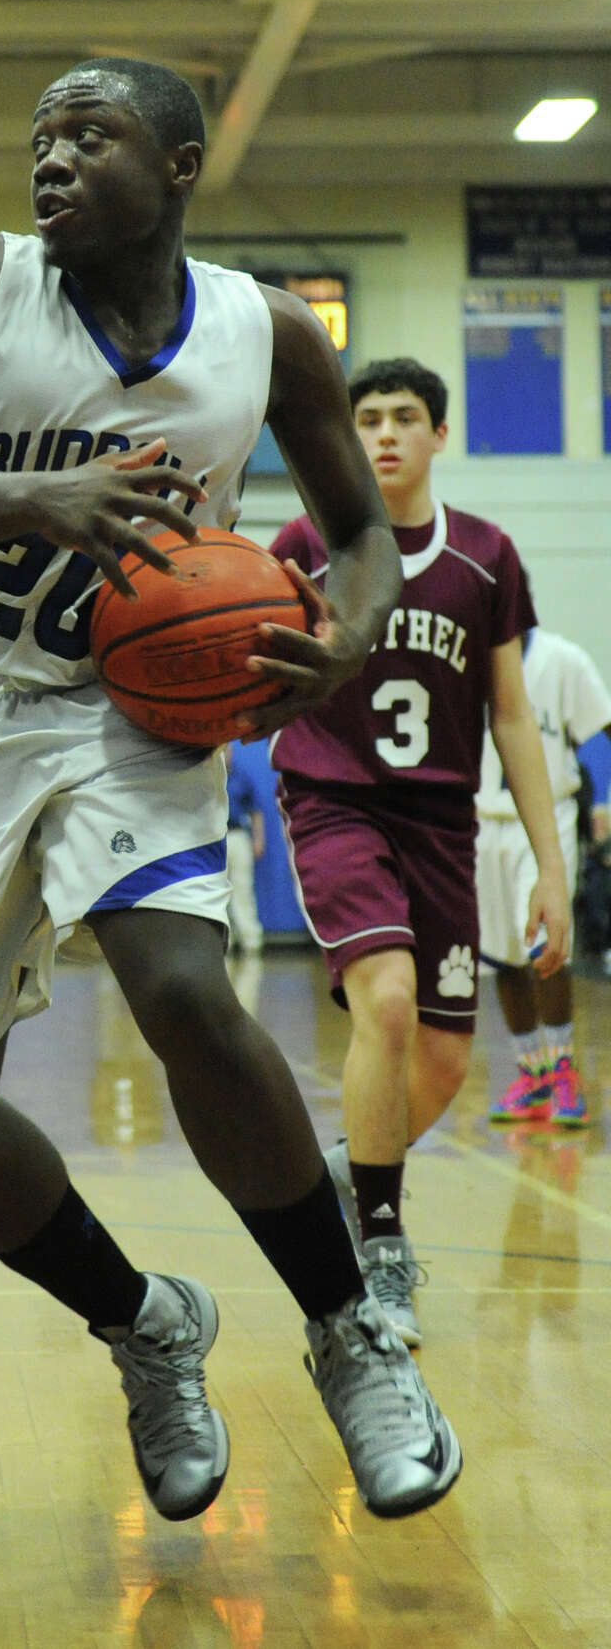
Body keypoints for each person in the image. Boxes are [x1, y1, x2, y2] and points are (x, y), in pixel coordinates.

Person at [0, 56, 462, 1521]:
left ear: (176, 164)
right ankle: (144, 1322)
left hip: (131, 712)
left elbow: (361, 534)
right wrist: (34, 495)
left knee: (183, 989)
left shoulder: (265, 330)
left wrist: (343, 639)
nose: (50, 159)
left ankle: (352, 1330)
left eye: (87, 136)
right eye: (37, 135)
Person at [269, 356, 571, 1350]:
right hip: (335, 801)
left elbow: (516, 720)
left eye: (406, 417)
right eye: (368, 418)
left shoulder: (485, 557)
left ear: (440, 435)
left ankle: (341, 1188)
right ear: (345, 438)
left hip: (443, 821)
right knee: (386, 1002)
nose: (386, 433)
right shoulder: (304, 547)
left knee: (441, 1062)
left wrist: (552, 869)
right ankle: (383, 1249)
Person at [479, 624, 611, 1126]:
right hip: (482, 822)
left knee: (546, 947)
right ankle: (532, 1072)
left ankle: (563, 1069)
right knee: (505, 957)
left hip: (545, 816)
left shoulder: (565, 660)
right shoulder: (467, 659)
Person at [224, 742, 266, 953]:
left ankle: (251, 941)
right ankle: (224, 942)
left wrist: (258, 839)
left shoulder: (241, 777)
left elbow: (256, 811)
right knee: (217, 893)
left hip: (239, 836)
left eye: (228, 750)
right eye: (221, 751)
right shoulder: (207, 779)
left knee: (242, 888)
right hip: (214, 840)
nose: (225, 755)